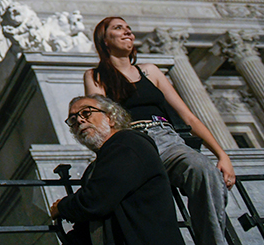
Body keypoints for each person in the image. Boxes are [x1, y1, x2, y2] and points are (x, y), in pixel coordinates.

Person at [84, 17, 234, 245]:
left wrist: (222, 155)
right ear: (104, 41)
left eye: (129, 28)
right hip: (132, 144)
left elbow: (189, 116)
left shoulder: (150, 71)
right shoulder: (95, 76)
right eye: (118, 28)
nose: (128, 32)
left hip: (166, 138)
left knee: (203, 169)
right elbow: (100, 121)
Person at [50, 95, 185, 245]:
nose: (80, 121)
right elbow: (92, 219)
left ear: (110, 117)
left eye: (86, 113)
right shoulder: (98, 164)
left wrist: (62, 207)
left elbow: (95, 200)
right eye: (73, 120)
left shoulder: (128, 144)